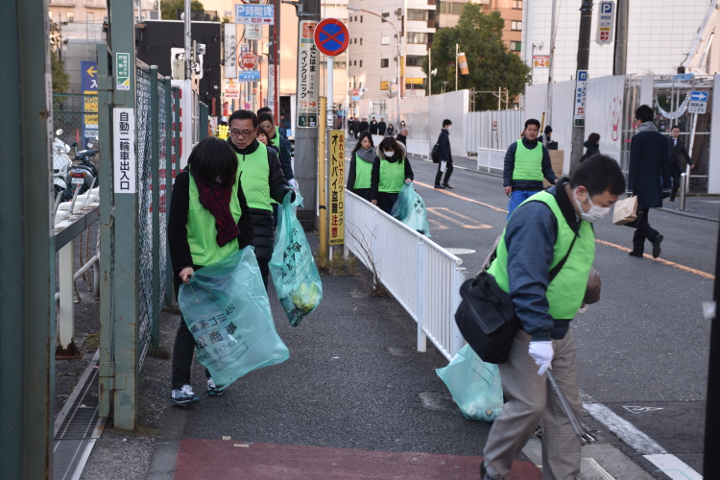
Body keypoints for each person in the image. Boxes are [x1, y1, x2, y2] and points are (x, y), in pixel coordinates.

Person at [480, 155, 626, 480]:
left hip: (558, 330)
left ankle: (564, 477)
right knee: (529, 406)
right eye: (606, 202)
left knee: (566, 411)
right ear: (583, 192)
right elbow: (527, 279)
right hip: (524, 328)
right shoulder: (538, 214)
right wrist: (541, 337)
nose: (607, 210)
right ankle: (493, 468)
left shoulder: (578, 216)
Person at [167, 137, 255, 404]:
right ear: (203, 165)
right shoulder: (186, 182)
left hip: (225, 266)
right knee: (192, 325)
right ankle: (179, 385)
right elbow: (176, 227)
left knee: (219, 323)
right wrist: (183, 266)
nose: (220, 175)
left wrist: (246, 257)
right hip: (193, 268)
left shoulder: (232, 181)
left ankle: (214, 377)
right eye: (215, 169)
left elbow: (245, 220)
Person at [226, 110, 295, 288]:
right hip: (226, 220)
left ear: (256, 131)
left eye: (246, 132)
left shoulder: (268, 154)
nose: (240, 137)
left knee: (258, 275)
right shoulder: (220, 154)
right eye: (235, 132)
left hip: (260, 220)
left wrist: (285, 192)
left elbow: (277, 185)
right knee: (228, 278)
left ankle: (256, 316)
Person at [627, 105, 671, 258]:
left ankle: (654, 236)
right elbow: (666, 164)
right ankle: (638, 249)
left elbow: (634, 164)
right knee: (642, 214)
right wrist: (667, 186)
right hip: (654, 184)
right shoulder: (662, 139)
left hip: (639, 184)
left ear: (639, 120)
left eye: (636, 120)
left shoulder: (638, 138)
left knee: (638, 217)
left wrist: (630, 188)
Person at [503, 118, 559, 217]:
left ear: (538, 132)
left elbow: (547, 169)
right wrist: (507, 184)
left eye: (535, 130)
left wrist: (555, 180)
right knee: (515, 216)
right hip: (517, 189)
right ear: (525, 130)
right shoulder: (515, 146)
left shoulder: (542, 148)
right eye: (530, 129)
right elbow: (508, 167)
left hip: (536, 189)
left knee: (534, 218)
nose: (532, 132)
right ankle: (510, 233)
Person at [370, 137, 414, 214]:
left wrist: (408, 178)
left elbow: (409, 173)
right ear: (382, 149)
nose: (389, 152)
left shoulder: (403, 159)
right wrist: (374, 196)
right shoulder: (378, 159)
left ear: (395, 148)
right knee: (385, 219)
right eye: (386, 150)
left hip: (399, 195)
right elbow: (374, 179)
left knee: (399, 220)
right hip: (383, 195)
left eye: (391, 149)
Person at [258, 112, 297, 190]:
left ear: (272, 126)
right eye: (262, 126)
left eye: (268, 127)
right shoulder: (250, 140)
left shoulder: (279, 138)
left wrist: (290, 178)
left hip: (276, 181)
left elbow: (286, 161)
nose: (265, 129)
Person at [346, 131, 377, 201]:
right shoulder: (356, 156)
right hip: (357, 189)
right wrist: (348, 191)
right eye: (365, 141)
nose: (367, 144)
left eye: (369, 142)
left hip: (371, 189)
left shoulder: (375, 156)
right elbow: (352, 174)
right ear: (360, 142)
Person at [667, 125, 694, 201]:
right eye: (674, 131)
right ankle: (661, 197)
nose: (676, 133)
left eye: (677, 131)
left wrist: (690, 163)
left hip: (676, 166)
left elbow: (685, 153)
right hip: (667, 165)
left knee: (676, 183)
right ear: (671, 132)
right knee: (664, 182)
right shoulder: (666, 140)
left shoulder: (681, 142)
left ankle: (672, 198)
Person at [434, 119, 453, 189]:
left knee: (450, 168)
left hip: (446, 156)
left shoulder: (445, 133)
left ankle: (444, 182)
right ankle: (437, 183)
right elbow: (443, 146)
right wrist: (445, 157)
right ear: (446, 125)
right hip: (443, 156)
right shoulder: (443, 134)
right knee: (441, 169)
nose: (450, 127)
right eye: (449, 125)